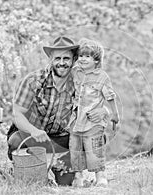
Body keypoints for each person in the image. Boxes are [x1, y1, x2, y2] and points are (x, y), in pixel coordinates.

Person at [7, 36, 107, 182]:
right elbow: (17, 114)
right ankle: (26, 166)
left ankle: (61, 166)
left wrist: (104, 111)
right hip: (34, 137)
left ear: (73, 60)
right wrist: (34, 131)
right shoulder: (33, 81)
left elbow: (99, 103)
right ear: (51, 59)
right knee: (15, 141)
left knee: (96, 138)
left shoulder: (80, 81)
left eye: (66, 58)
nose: (61, 63)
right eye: (57, 58)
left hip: (62, 139)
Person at [68, 38, 120, 187]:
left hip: (93, 121)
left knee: (94, 149)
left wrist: (114, 115)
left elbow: (110, 96)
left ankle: (100, 176)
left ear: (96, 60)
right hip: (76, 119)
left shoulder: (101, 77)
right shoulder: (76, 72)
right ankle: (78, 176)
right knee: (75, 148)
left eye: (87, 56)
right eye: (81, 56)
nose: (83, 59)